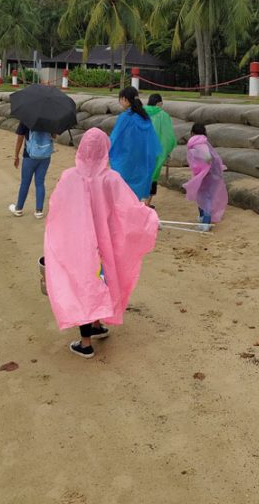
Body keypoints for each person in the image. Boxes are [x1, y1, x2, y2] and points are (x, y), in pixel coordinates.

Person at [43, 128, 159, 358]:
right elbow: (129, 209)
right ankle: (92, 329)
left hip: (79, 243)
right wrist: (147, 214)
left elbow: (57, 208)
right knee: (98, 279)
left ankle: (88, 338)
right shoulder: (110, 178)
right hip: (104, 243)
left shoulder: (70, 176)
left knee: (85, 283)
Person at [108, 86, 161, 202]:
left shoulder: (125, 117)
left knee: (123, 190)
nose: (120, 101)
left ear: (126, 100)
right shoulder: (144, 117)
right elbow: (151, 140)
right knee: (135, 193)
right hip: (141, 158)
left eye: (120, 99)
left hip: (126, 159)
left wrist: (106, 149)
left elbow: (114, 137)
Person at [183, 123, 227, 231]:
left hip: (206, 174)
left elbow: (207, 157)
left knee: (205, 197)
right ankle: (203, 218)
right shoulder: (203, 141)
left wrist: (204, 167)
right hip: (209, 174)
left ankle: (205, 222)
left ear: (192, 132)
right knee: (203, 195)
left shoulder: (197, 143)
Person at [9, 121, 53, 219]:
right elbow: (53, 136)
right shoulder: (50, 120)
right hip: (45, 156)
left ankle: (19, 209)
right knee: (40, 182)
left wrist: (16, 156)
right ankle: (39, 211)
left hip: (29, 156)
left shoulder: (26, 120)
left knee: (25, 182)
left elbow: (20, 138)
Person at [144, 93, 176, 208]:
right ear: (159, 103)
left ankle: (137, 203)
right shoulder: (163, 115)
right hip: (156, 152)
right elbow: (169, 137)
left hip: (141, 151)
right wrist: (167, 150)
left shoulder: (141, 113)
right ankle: (147, 203)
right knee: (153, 176)